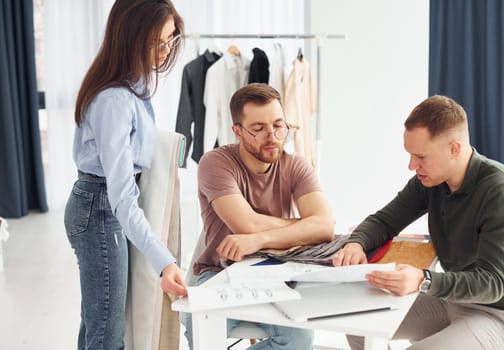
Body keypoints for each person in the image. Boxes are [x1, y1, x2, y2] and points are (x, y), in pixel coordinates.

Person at [332, 95, 504, 349]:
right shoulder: (432, 181)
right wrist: (355, 243)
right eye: (410, 155)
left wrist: (425, 279)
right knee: (357, 324)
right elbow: (385, 220)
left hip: (497, 315)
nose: (412, 165)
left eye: (421, 156)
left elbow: (492, 283)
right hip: (450, 300)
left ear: (454, 149)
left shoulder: (499, 190)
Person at [64, 1, 187, 349]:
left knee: (97, 323)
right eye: (157, 43)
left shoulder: (134, 85)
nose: (165, 53)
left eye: (170, 41)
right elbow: (121, 199)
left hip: (100, 204)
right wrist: (165, 263)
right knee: (106, 333)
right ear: (130, 37)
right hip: (101, 210)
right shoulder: (115, 99)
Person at [184, 83, 335, 349]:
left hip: (277, 273)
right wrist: (302, 225)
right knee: (202, 332)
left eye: (278, 125)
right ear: (237, 131)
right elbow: (247, 224)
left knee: (300, 339)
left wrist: (258, 240)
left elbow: (324, 226)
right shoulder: (215, 164)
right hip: (219, 273)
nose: (272, 136)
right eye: (259, 129)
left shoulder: (296, 166)